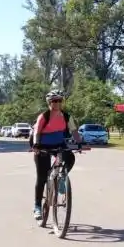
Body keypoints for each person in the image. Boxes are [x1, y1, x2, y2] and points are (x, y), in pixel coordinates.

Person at [30, 89, 82, 220]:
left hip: (58, 145)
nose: (57, 103)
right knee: (42, 176)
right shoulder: (44, 116)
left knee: (70, 157)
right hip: (42, 146)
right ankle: (37, 206)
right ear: (49, 102)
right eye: (54, 101)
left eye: (60, 101)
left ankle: (60, 178)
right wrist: (36, 145)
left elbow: (74, 131)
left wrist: (79, 143)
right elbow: (36, 132)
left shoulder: (66, 116)